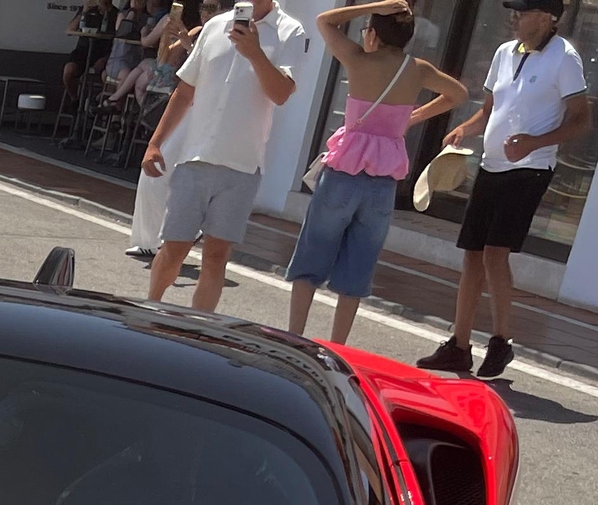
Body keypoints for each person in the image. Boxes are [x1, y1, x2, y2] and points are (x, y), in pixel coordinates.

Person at [415, 0, 589, 378]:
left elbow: (581, 120)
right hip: (492, 165)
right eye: (513, 10)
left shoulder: (565, 57)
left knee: (495, 254)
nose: (514, 17)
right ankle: (459, 346)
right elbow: (490, 108)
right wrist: (466, 128)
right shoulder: (504, 53)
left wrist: (535, 142)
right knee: (472, 255)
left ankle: (501, 341)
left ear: (547, 17)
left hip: (530, 168)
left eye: (523, 11)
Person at [285, 1, 466, 341]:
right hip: (383, 182)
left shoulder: (358, 59)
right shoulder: (419, 68)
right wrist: (413, 115)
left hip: (344, 171)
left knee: (314, 250)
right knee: (360, 262)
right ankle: (339, 346)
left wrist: (377, 4)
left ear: (373, 34)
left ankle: (295, 335)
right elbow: (458, 93)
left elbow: (325, 20)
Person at [142, 0, 311, 311]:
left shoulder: (291, 31)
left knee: (216, 256)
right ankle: (150, 312)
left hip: (242, 166)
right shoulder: (215, 26)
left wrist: (256, 54)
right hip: (195, 158)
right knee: (174, 247)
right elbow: (185, 90)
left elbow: (281, 94)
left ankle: (199, 328)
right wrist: (155, 143)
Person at [125, 0, 202, 258]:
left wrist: (191, 47)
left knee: (187, 176)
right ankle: (148, 238)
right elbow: (164, 62)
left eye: (214, 8)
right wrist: (173, 37)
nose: (208, 13)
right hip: (182, 105)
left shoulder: (229, 35)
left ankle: (184, 230)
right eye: (206, 7)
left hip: (205, 112)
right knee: (156, 171)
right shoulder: (198, 32)